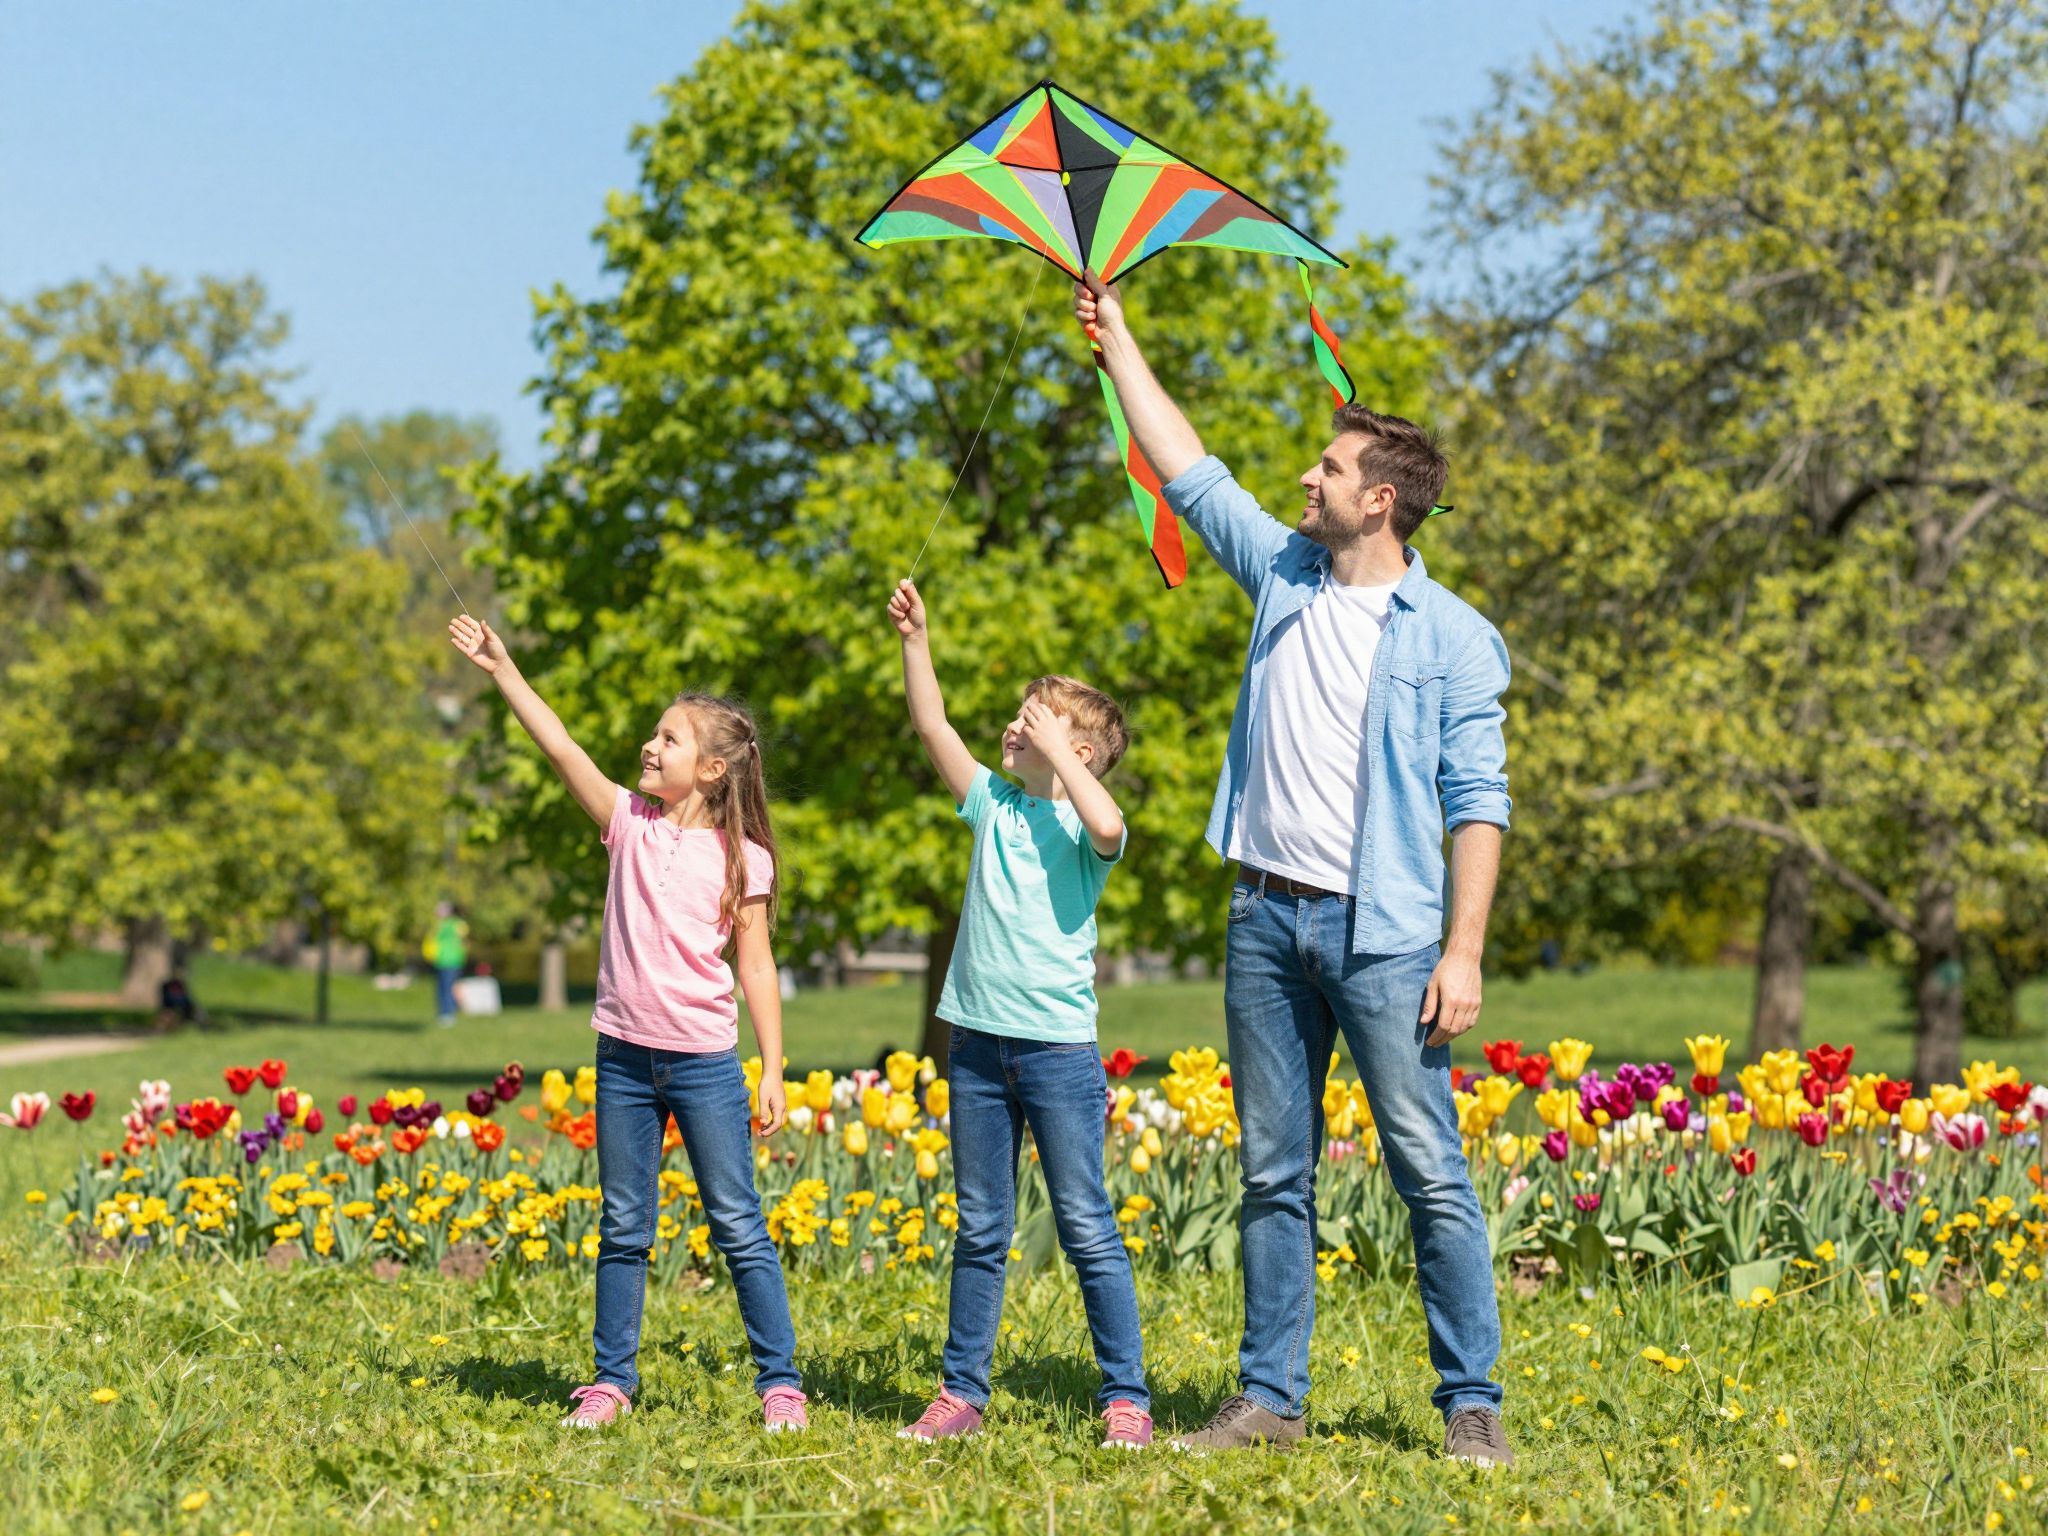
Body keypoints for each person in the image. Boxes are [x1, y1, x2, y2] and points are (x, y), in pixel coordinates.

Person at [1075, 274, 1515, 1467]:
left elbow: (1478, 804)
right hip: (1263, 921)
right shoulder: (1279, 575)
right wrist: (1115, 340)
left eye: (1325, 470)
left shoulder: (1453, 638)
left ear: (1378, 501)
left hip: (1384, 937)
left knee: (1427, 1167)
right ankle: (1267, 1398)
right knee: (1272, 1172)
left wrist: (1463, 951)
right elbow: (1186, 469)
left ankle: (1467, 1402)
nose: (1302, 482)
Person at [448, 612, 808, 1434]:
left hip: (707, 1065)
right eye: (654, 734)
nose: (650, 746)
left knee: (738, 1224)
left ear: (711, 770)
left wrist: (775, 1066)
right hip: (623, 1060)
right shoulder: (626, 824)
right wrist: (504, 668)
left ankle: (779, 1381)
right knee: (624, 1224)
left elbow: (755, 965)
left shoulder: (743, 856)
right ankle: (612, 1380)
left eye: (669, 739)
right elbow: (561, 747)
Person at [886, 578, 1152, 1451]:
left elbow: (1110, 819)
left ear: (1071, 747)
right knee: (983, 1224)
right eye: (1015, 716)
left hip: (1057, 1055)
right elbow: (933, 729)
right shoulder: (993, 806)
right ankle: (960, 1393)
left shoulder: (1081, 825)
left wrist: (1061, 751)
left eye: (1029, 719)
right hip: (977, 1046)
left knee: (1085, 1224)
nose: (1011, 726)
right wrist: (917, 640)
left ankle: (1126, 1398)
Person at [424, 904, 468, 1026]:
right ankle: (444, 1013)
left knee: (447, 987)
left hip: (452, 961)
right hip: (442, 961)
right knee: (443, 987)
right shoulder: (440, 926)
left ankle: (448, 1013)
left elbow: (462, 937)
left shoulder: (453, 925)